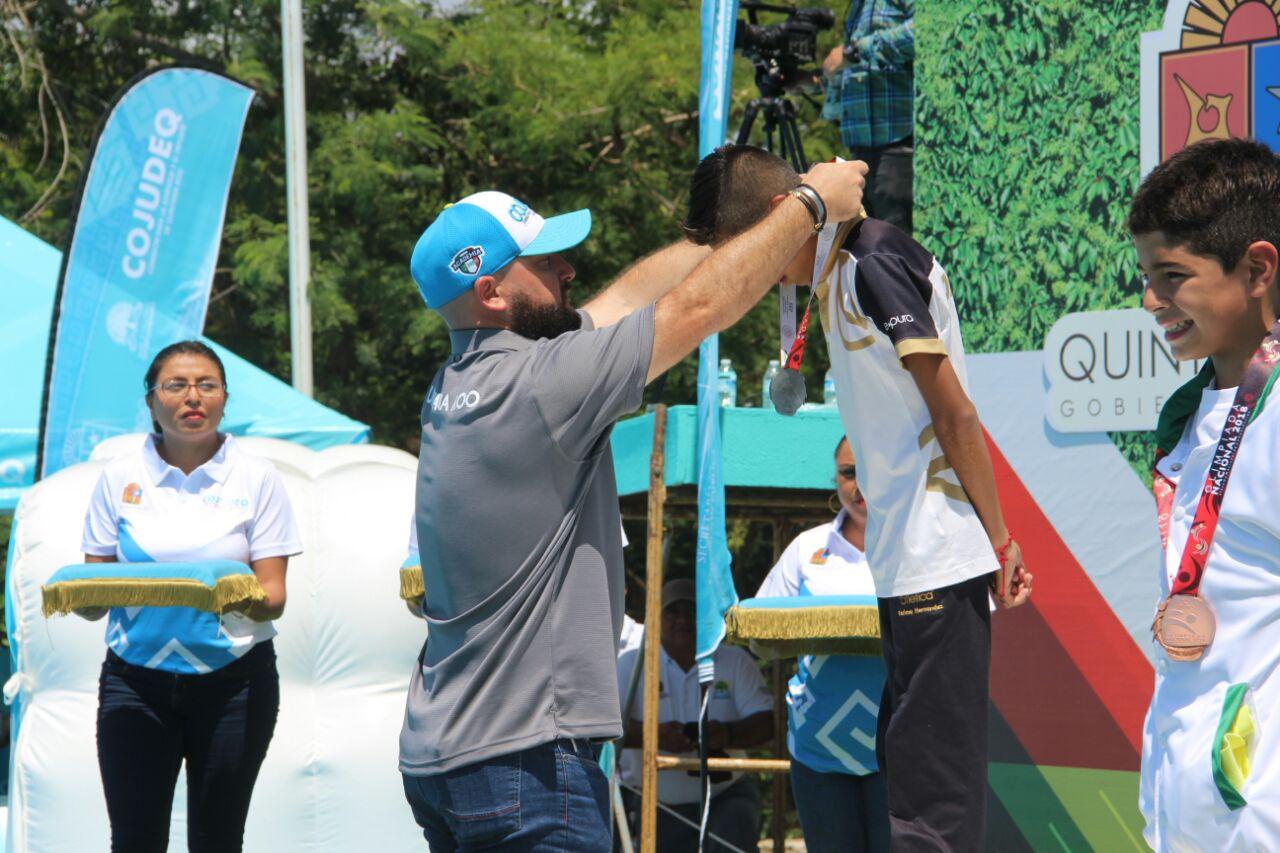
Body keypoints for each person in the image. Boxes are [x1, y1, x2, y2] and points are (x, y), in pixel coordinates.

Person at [399, 164, 867, 850]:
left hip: (449, 755)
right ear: (492, 292)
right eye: (545, 260)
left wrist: (727, 233)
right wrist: (808, 206)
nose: (567, 269)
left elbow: (620, 303)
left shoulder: (462, 382)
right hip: (524, 763)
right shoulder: (542, 385)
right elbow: (693, 313)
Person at [682, 144, 1030, 852]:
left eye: (741, 248)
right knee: (909, 796)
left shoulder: (871, 260)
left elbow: (954, 412)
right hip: (904, 570)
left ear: (784, 216)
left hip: (939, 559)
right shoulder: (834, 271)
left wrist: (998, 540)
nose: (742, 267)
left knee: (934, 814)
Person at [77, 340, 301, 853]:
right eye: (175, 385)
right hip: (134, 682)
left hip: (235, 684)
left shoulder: (258, 477)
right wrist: (81, 601)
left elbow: (273, 597)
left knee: (217, 841)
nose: (192, 397)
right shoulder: (117, 477)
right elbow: (95, 592)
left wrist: (219, 592)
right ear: (152, 401)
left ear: (225, 398)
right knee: (134, 841)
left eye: (207, 385)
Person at [1131, 138, 1280, 850]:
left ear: (1257, 269)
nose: (1150, 299)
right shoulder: (1185, 419)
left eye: (1172, 275)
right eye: (1145, 275)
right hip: (1183, 798)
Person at [756, 437, 888, 853]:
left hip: (898, 749)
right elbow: (761, 634)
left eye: (869, 472)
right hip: (818, 750)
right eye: (849, 473)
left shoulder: (919, 549)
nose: (859, 485)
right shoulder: (806, 549)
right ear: (835, 480)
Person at [616, 580, 772, 852]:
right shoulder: (631, 663)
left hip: (726, 794)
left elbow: (768, 723)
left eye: (691, 610)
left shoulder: (734, 660)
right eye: (672, 612)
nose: (682, 620)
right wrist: (652, 735)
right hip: (654, 801)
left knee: (733, 836)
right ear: (656, 617)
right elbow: (606, 731)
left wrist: (726, 733)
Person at [822, 0, 915, 232]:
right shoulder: (857, 8)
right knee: (873, 253)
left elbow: (925, 30)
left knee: (899, 254)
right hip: (860, 155)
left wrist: (854, 50)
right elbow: (857, 71)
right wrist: (809, 81)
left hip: (898, 149)